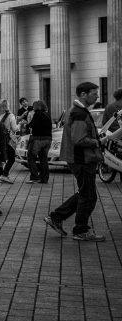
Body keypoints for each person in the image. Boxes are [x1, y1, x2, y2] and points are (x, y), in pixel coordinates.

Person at [44, 82, 108, 241]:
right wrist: (98, 142)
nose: (97, 96)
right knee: (88, 196)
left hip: (81, 159)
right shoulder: (79, 113)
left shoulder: (79, 111)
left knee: (85, 194)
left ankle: (57, 217)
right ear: (83, 94)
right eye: (94, 93)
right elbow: (79, 139)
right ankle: (80, 230)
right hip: (82, 159)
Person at [25, 100, 53, 184]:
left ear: (37, 107)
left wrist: (26, 125)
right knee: (43, 159)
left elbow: (32, 125)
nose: (33, 107)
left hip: (38, 139)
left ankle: (34, 177)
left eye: (34, 106)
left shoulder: (37, 114)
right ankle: (44, 178)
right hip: (48, 139)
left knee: (31, 157)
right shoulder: (47, 114)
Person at [0, 99, 19, 184]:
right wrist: (20, 125)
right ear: (7, 106)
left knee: (0, 157)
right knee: (11, 158)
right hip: (7, 140)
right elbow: (15, 128)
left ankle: (1, 174)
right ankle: (4, 175)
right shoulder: (10, 115)